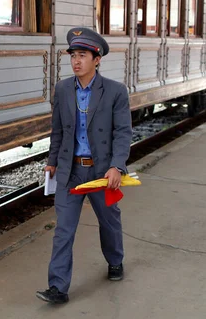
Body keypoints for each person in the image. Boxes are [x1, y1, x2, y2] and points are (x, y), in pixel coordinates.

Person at [36, 27, 133, 304]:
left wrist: (117, 166)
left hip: (102, 171)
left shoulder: (115, 91)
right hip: (71, 171)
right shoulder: (63, 89)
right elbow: (58, 131)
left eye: (82, 55)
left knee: (109, 221)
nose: (76, 61)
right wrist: (52, 162)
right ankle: (58, 288)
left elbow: (123, 133)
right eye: (73, 56)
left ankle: (115, 261)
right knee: (63, 230)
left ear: (97, 58)